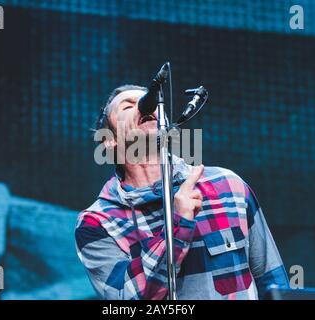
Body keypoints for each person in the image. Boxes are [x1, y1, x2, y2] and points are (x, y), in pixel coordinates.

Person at [75, 85, 289, 300]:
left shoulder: (227, 186)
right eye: (127, 106)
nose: (143, 105)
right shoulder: (97, 222)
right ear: (109, 140)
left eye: (149, 101)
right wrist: (178, 224)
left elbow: (272, 282)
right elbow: (125, 299)